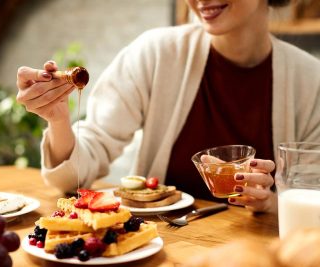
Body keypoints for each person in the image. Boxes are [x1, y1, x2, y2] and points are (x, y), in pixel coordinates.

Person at [16, 0, 320, 213]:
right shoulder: (155, 54)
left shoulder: (311, 81)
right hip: (166, 251)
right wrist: (58, 120)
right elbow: (74, 177)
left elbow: (312, 201)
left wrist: (270, 203)